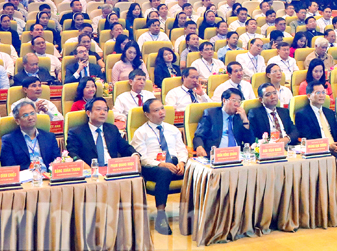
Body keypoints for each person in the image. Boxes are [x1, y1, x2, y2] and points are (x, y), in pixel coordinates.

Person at [131, 98, 187, 235]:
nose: (162, 112)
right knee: (164, 172)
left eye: (162, 108)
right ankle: (161, 215)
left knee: (197, 169)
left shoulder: (172, 129)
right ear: (147, 114)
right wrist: (161, 163)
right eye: (156, 110)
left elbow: (182, 149)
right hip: (152, 167)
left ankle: (192, 212)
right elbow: (142, 158)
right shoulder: (141, 132)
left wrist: (182, 162)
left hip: (174, 163)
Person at [294, 82, 337, 179]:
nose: (322, 95)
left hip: (335, 146)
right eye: (318, 93)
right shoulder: (302, 114)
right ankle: (332, 190)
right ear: (309, 95)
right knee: (335, 159)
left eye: (323, 92)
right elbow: (308, 137)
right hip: (319, 149)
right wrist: (328, 146)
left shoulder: (329, 112)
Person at [65, 95, 139, 165]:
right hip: (90, 171)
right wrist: (84, 166)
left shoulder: (112, 129)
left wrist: (135, 155)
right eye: (98, 109)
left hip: (112, 170)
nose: (103, 113)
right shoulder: (76, 132)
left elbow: (125, 147)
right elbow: (72, 153)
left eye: (105, 110)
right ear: (88, 113)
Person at [0, 100, 62, 168]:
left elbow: (57, 161)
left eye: (32, 113)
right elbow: (8, 166)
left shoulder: (49, 137)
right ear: (17, 121)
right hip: (24, 177)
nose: (30, 117)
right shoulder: (9, 140)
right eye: (25, 115)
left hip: (47, 176)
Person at [193, 88, 252, 155]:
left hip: (236, 155)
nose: (237, 104)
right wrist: (199, 147)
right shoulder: (211, 114)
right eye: (234, 100)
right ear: (224, 100)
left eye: (239, 101)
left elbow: (249, 141)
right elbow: (199, 135)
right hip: (216, 154)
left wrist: (245, 119)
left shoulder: (239, 116)